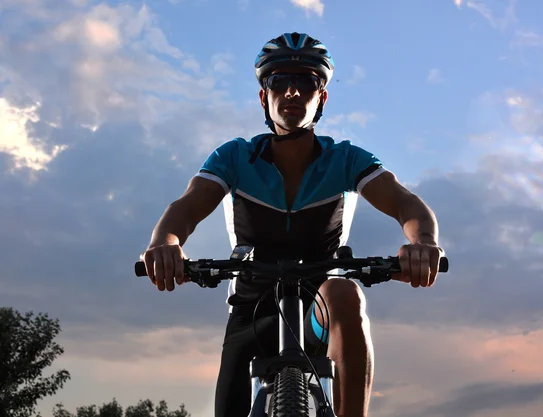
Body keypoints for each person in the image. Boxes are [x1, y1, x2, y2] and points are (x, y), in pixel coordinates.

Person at [140, 32, 444, 417]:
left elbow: (406, 204)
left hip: (319, 309)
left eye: (306, 82)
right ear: (264, 96)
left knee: (344, 293)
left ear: (323, 97)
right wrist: (165, 243)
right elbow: (186, 207)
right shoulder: (235, 157)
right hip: (251, 307)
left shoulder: (345, 159)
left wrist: (423, 243)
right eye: (280, 81)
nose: (293, 92)